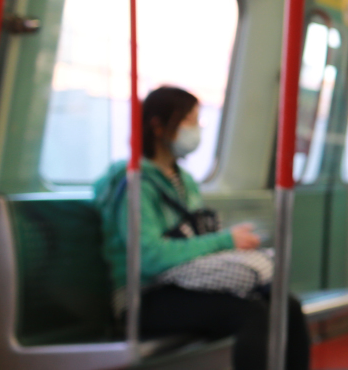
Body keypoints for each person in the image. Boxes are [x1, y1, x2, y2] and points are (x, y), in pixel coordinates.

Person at [93, 86, 310, 370]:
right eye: (189, 121)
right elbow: (148, 257)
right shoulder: (135, 185)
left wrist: (227, 240)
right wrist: (224, 241)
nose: (196, 130)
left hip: (183, 284)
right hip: (144, 297)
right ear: (158, 126)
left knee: (286, 304)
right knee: (252, 314)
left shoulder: (184, 180)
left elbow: (194, 237)